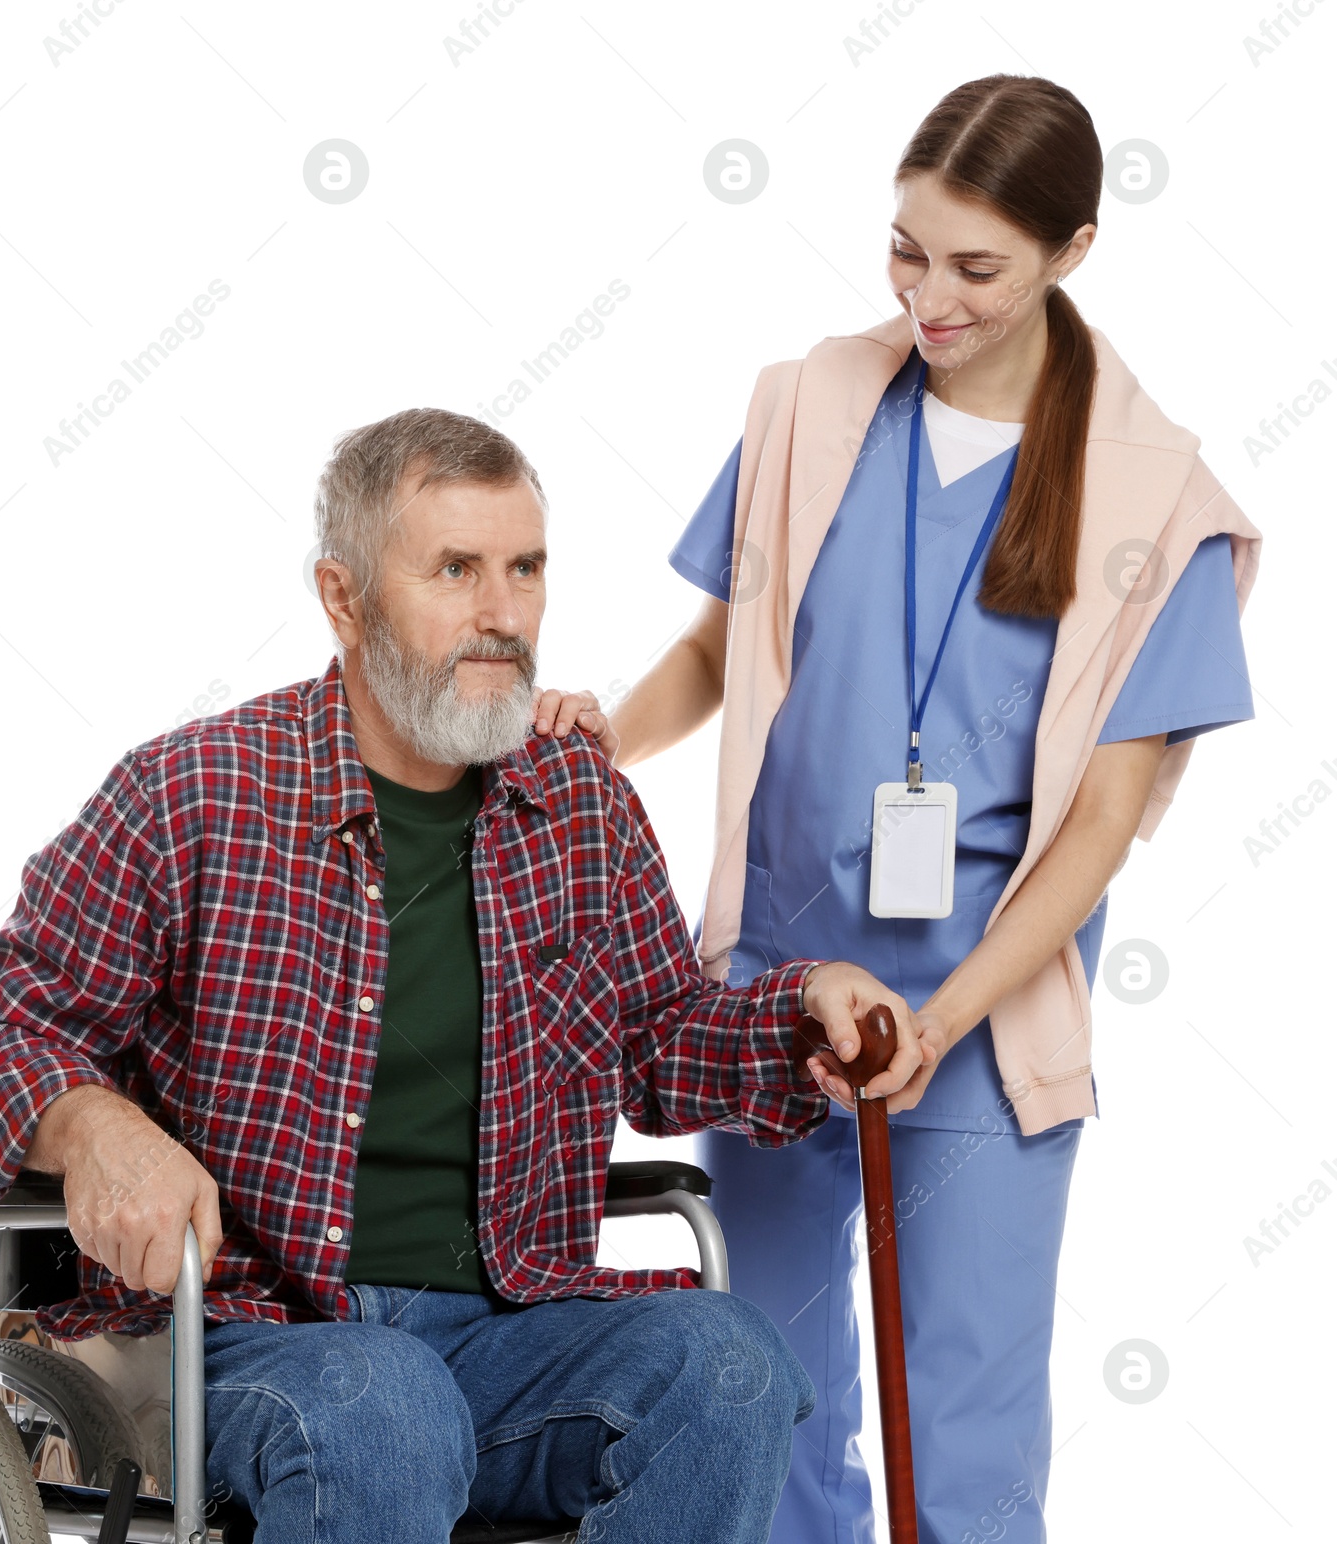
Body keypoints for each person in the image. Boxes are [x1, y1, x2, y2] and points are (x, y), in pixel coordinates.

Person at [0, 407, 930, 1543]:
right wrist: (97, 1128)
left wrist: (803, 1013)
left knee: (734, 1364)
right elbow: (0, 1024)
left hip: (510, 1324)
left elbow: (657, 1040)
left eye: (524, 568)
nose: (503, 614)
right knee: (383, 1401)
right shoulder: (194, 794)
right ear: (344, 596)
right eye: (454, 570)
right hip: (238, 1329)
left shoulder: (579, 804)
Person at [533, 74, 1262, 1544]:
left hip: (987, 1023)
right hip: (777, 1000)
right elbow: (716, 647)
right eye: (906, 251)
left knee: (968, 1427)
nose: (928, 296)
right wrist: (608, 735)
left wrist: (947, 1020)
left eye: (975, 266)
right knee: (768, 1390)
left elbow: (1105, 825)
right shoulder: (812, 404)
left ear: (1074, 249)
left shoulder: (1158, 502)